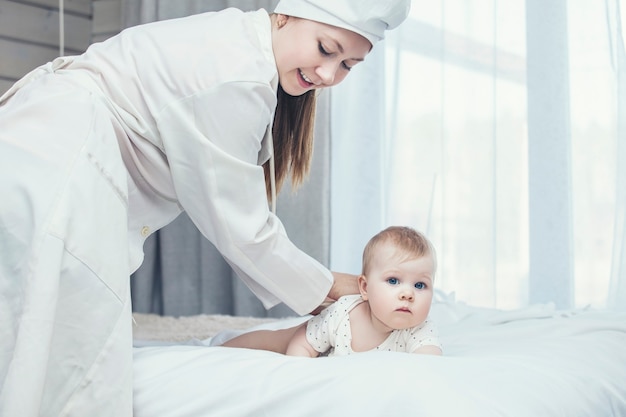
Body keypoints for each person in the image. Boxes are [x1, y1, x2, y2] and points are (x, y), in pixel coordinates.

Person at [0, 0, 411, 415]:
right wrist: (330, 287)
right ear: (284, 15)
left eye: (348, 66)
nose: (328, 74)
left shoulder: (240, 44)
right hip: (56, 158)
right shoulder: (237, 76)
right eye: (326, 49)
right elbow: (241, 228)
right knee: (67, 359)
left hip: (45, 146)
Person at [221, 226, 443, 357]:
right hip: (313, 340)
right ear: (364, 288)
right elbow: (304, 343)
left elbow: (429, 361)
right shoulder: (343, 314)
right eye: (393, 280)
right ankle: (220, 348)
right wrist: (298, 370)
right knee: (276, 340)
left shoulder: (417, 329)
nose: (408, 294)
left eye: (420, 285)